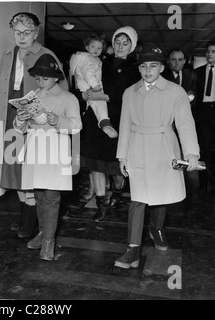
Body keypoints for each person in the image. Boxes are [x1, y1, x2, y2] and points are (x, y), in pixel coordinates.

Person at [114, 44, 200, 269]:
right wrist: (122, 156)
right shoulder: (130, 92)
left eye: (153, 66)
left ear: (162, 68)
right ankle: (133, 248)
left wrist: (191, 153)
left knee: (160, 194)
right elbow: (124, 125)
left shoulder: (176, 92)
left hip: (164, 147)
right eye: (143, 66)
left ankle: (156, 229)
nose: (147, 70)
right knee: (138, 198)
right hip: (137, 147)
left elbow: (185, 124)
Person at [0, 12, 68, 239]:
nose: (21, 37)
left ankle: (30, 223)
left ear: (36, 32)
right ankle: (26, 217)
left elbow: (62, 91)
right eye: (17, 32)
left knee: (29, 171)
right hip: (9, 117)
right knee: (14, 172)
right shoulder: (7, 55)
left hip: (35, 124)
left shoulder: (46, 54)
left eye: (27, 32)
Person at [13, 54, 82, 261]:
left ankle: (49, 243)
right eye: (38, 78)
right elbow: (19, 128)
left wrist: (57, 119)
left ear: (55, 77)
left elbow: (77, 126)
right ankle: (43, 233)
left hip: (55, 148)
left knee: (51, 197)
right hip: (34, 146)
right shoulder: (32, 95)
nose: (40, 82)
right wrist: (20, 118)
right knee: (40, 195)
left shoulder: (68, 98)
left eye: (44, 78)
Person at [80, 26, 140, 221]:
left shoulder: (135, 69)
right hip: (96, 120)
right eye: (117, 42)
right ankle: (101, 204)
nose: (120, 46)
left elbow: (125, 96)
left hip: (119, 120)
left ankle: (116, 191)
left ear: (132, 46)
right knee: (96, 164)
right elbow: (85, 80)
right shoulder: (101, 62)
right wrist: (84, 93)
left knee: (116, 169)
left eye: (125, 43)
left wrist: (100, 95)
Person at [70, 33, 118, 138]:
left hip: (87, 88)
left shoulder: (95, 60)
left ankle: (104, 124)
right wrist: (96, 85)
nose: (96, 49)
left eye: (99, 48)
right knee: (100, 104)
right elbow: (88, 73)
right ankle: (104, 123)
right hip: (89, 87)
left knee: (93, 107)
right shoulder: (86, 59)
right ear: (86, 47)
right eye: (93, 47)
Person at [194, 41, 215, 192]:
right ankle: (203, 183)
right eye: (208, 51)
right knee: (203, 147)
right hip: (202, 112)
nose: (210, 54)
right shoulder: (198, 72)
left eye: (213, 51)